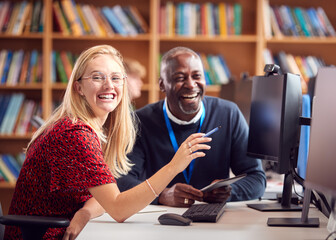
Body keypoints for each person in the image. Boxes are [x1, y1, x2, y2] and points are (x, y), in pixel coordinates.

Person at [5, 45, 212, 239]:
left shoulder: (92, 129)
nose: (109, 85)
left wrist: (85, 212)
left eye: (115, 77)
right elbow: (118, 209)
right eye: (97, 77)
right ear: (78, 87)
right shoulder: (74, 134)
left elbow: (105, 195)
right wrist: (174, 167)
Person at [117, 46, 266, 207]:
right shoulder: (139, 121)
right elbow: (122, 181)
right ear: (162, 85)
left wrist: (229, 191)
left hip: (213, 219)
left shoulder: (229, 114)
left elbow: (256, 178)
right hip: (159, 219)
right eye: (180, 78)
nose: (191, 84)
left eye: (197, 76)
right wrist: (162, 195)